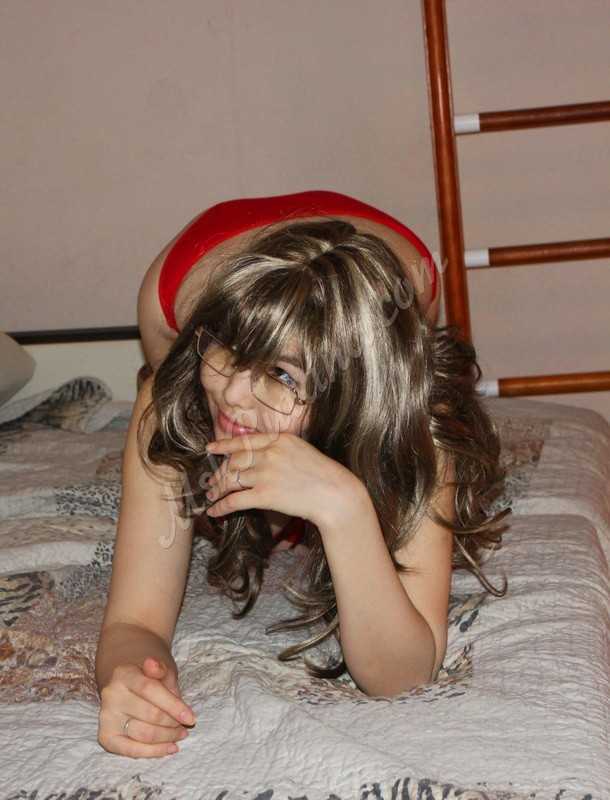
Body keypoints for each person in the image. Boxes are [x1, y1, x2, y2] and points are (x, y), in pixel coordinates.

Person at [95, 189, 510, 759]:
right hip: (192, 267)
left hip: (399, 275)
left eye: (282, 376)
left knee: (400, 336)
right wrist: (132, 675)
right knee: (175, 390)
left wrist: (345, 507)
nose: (234, 395)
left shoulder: (416, 421)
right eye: (228, 351)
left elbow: (403, 676)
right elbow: (133, 622)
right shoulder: (183, 387)